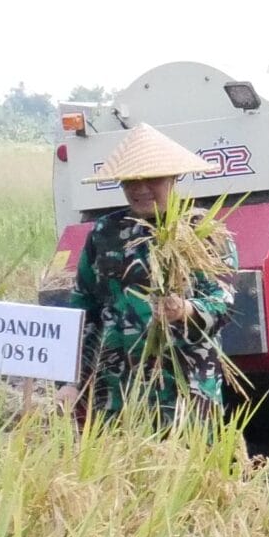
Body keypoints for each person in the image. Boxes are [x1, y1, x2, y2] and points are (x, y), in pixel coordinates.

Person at [72, 125, 238, 422]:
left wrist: (185, 310)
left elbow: (222, 304)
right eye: (130, 180)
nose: (139, 188)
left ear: (175, 178)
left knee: (187, 467)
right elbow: (85, 309)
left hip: (186, 389)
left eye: (152, 179)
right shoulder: (105, 233)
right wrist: (71, 381)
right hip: (117, 390)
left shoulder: (204, 233)